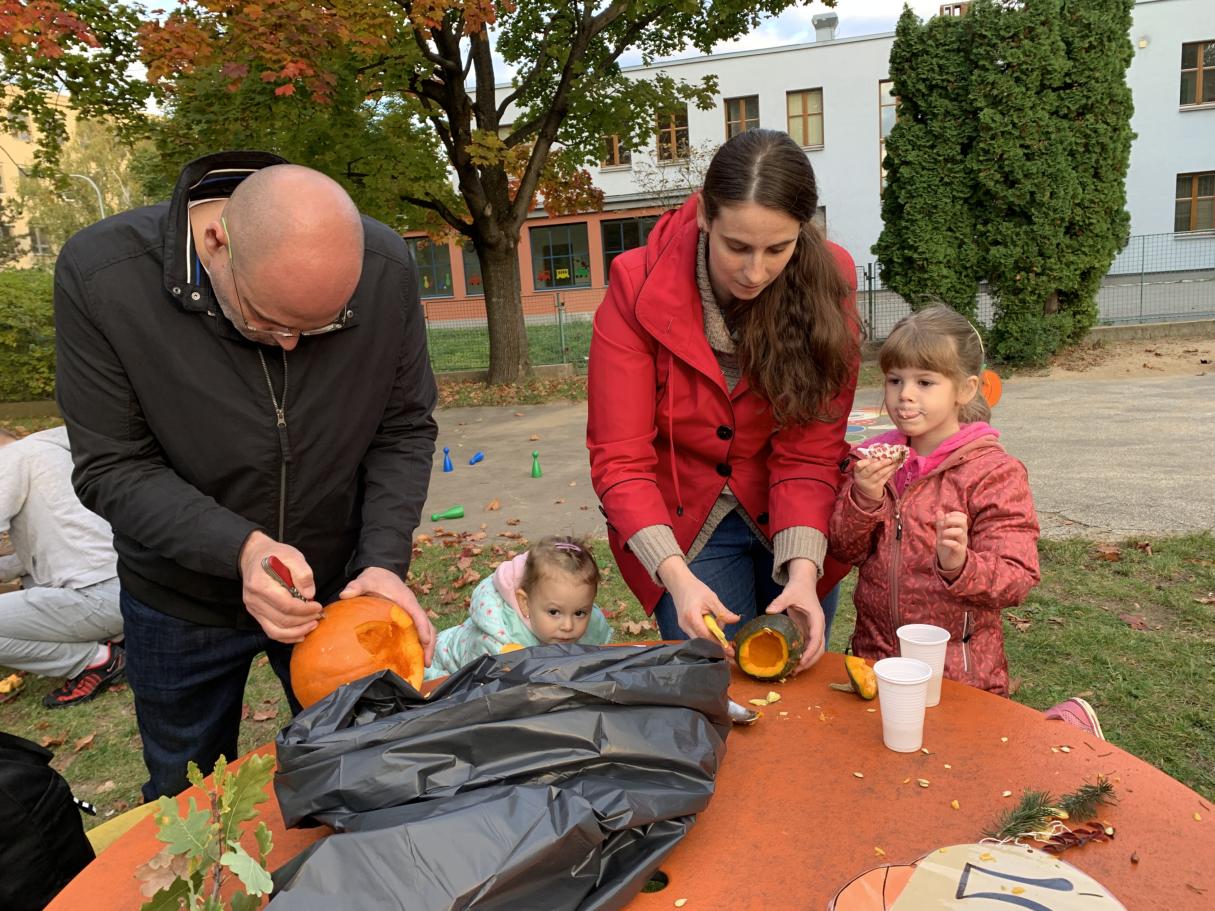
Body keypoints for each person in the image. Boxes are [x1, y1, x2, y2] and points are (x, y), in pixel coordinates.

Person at [53, 152, 439, 800]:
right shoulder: (103, 276)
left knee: (366, 781)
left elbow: (402, 428)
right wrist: (243, 548)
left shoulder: (382, 268)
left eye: (317, 329)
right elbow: (112, 465)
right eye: (271, 321)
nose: (291, 345)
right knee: (187, 800)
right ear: (215, 241)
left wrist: (382, 560)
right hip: (179, 599)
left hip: (335, 591)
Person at [587, 129, 860, 675]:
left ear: (801, 233)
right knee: (718, 685)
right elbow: (620, 459)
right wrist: (676, 577)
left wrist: (804, 573)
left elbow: (810, 451)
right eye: (737, 246)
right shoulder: (635, 286)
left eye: (777, 248)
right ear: (706, 216)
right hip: (686, 522)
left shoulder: (830, 283)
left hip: (791, 509)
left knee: (798, 687)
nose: (754, 272)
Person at [828, 305, 1040, 696]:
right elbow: (844, 550)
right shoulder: (871, 462)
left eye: (925, 382)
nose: (904, 396)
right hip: (879, 663)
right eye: (894, 380)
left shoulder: (993, 473)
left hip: (960, 676)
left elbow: (1018, 578)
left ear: (965, 389)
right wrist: (864, 499)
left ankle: (1067, 720)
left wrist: (960, 565)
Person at [0, 426, 124, 707]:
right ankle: (113, 639)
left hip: (100, 597)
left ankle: (95, 662)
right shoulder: (55, 455)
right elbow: (39, 555)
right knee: (30, 583)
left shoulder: (10, 459)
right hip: (132, 588)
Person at [425, 535, 612, 679]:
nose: (568, 626)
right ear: (525, 603)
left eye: (580, 613)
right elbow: (485, 694)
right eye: (554, 612)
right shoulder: (496, 646)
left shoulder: (590, 629)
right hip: (442, 672)